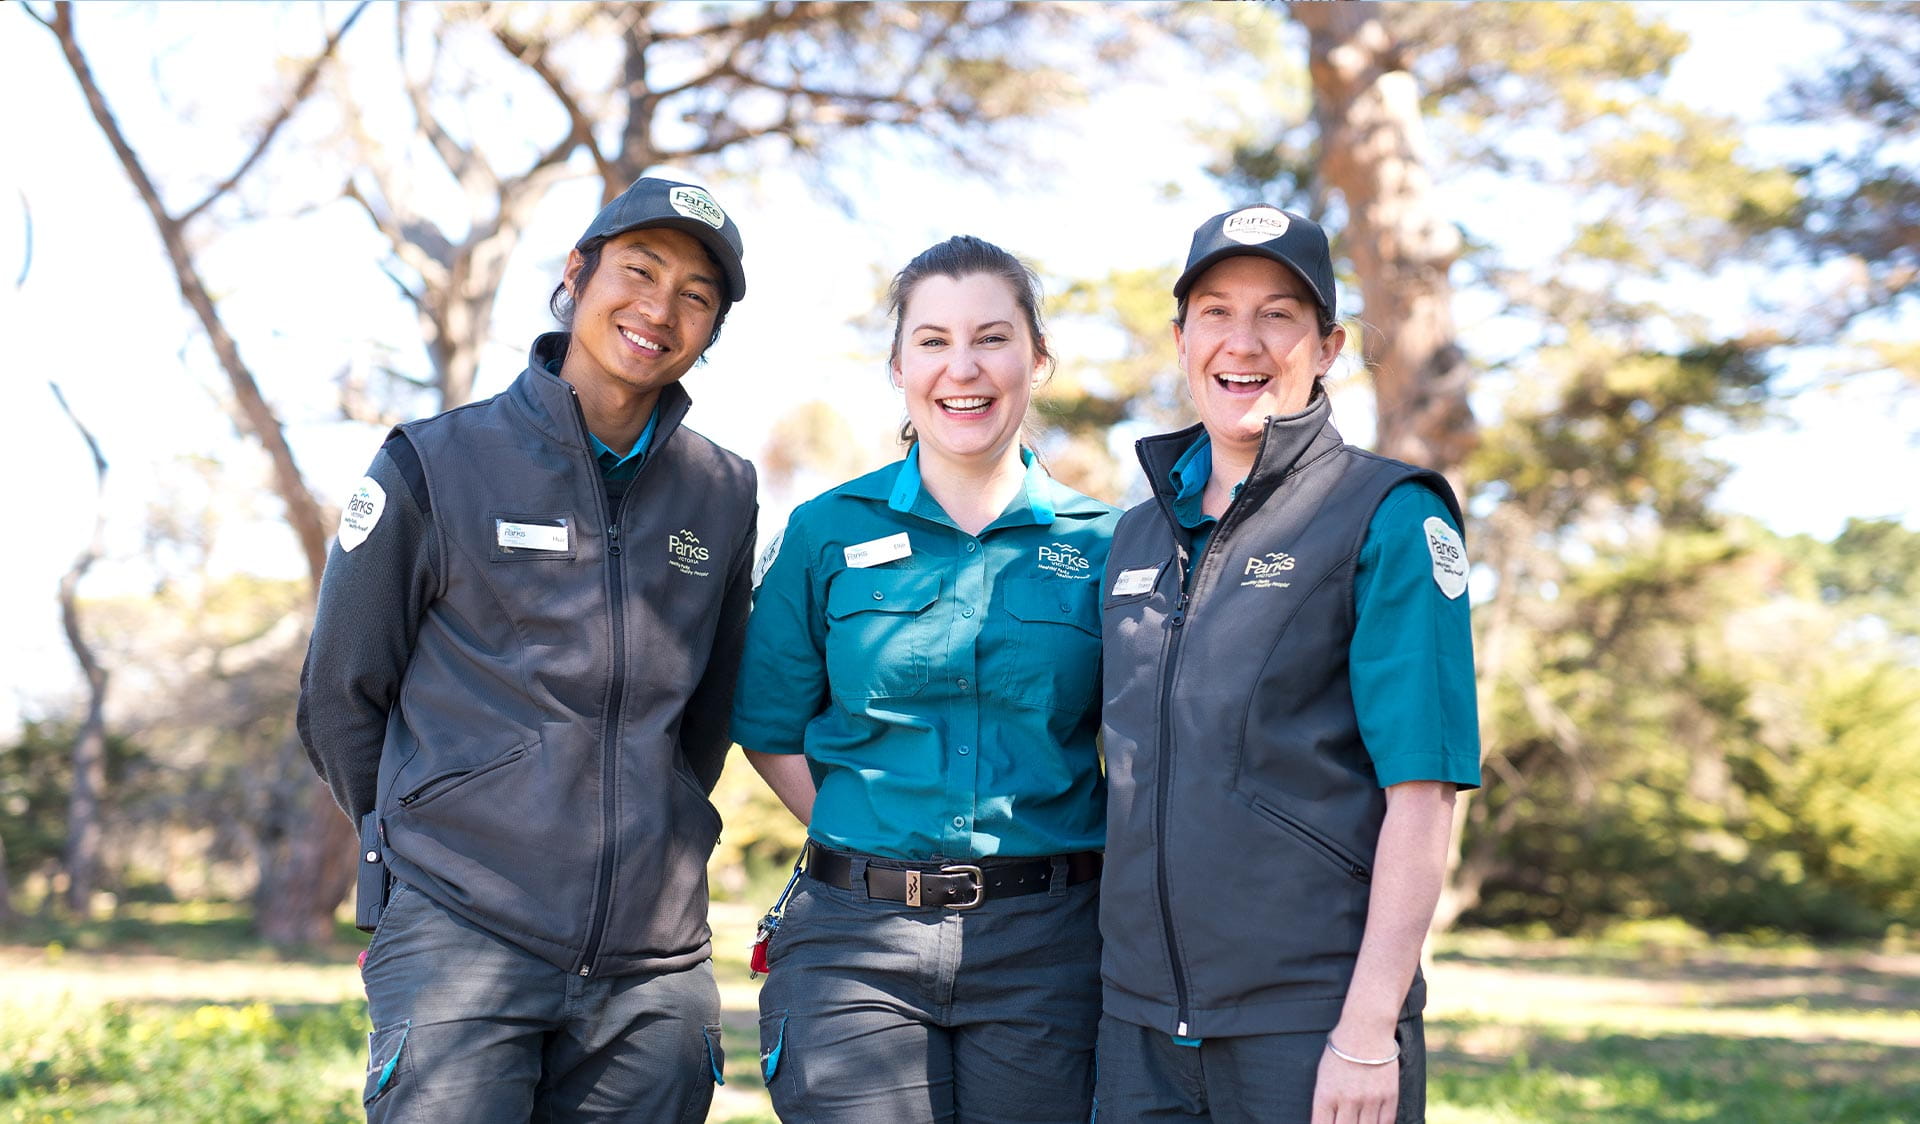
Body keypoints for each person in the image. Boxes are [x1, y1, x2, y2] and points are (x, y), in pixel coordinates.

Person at [297, 176, 758, 1123]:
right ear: (577, 276)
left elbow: (709, 714)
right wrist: (419, 845)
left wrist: (659, 816)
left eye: (697, 296)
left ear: (710, 331)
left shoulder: (725, 490)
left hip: (654, 968)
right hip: (462, 934)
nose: (659, 309)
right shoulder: (435, 461)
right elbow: (341, 692)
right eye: (638, 270)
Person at [1094, 205, 1482, 1124]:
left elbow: (1422, 796)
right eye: (1218, 312)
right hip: (1137, 1028)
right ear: (1181, 336)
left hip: (1307, 1029)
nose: (1245, 341)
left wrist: (1364, 1033)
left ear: (1329, 345)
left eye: (1279, 314)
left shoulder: (1386, 512)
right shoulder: (1136, 534)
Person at [731, 235, 1120, 1124]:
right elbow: (770, 727)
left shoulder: (1107, 544)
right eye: (934, 341)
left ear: (1036, 358)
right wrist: (874, 829)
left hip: (1049, 948)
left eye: (992, 337)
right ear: (900, 365)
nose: (963, 367)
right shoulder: (827, 529)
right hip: (853, 945)